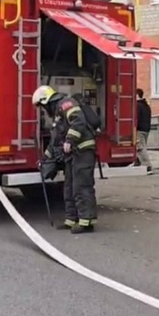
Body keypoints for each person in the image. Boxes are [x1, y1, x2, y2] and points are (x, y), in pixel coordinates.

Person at [33, 85, 98, 233]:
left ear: (46, 101)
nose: (43, 110)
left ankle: (86, 222)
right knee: (69, 187)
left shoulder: (66, 103)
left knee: (82, 187)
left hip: (83, 151)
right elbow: (55, 141)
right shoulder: (57, 114)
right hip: (73, 155)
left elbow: (78, 121)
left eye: (42, 106)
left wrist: (69, 140)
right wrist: (44, 159)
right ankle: (71, 219)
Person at [135, 88, 153, 173]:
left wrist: (134, 127)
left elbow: (136, 118)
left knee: (140, 148)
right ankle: (137, 162)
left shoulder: (138, 105)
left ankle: (147, 165)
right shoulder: (146, 105)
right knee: (141, 146)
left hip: (139, 129)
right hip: (146, 129)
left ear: (137, 95)